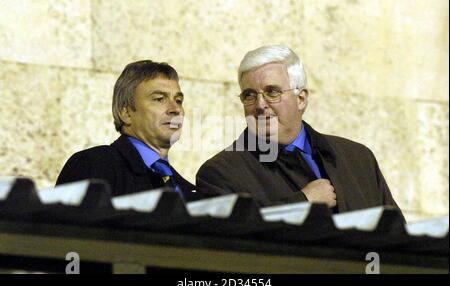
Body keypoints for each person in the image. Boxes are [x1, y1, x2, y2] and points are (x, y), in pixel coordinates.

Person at [196, 45, 403, 215]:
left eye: (272, 92)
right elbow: (235, 246)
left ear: (301, 98)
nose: (260, 104)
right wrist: (302, 202)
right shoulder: (220, 174)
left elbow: (396, 238)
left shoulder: (358, 159)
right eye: (249, 95)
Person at [56, 60, 197, 201]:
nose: (176, 109)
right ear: (126, 113)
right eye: (159, 99)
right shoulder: (93, 166)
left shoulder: (190, 191)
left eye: (178, 100)